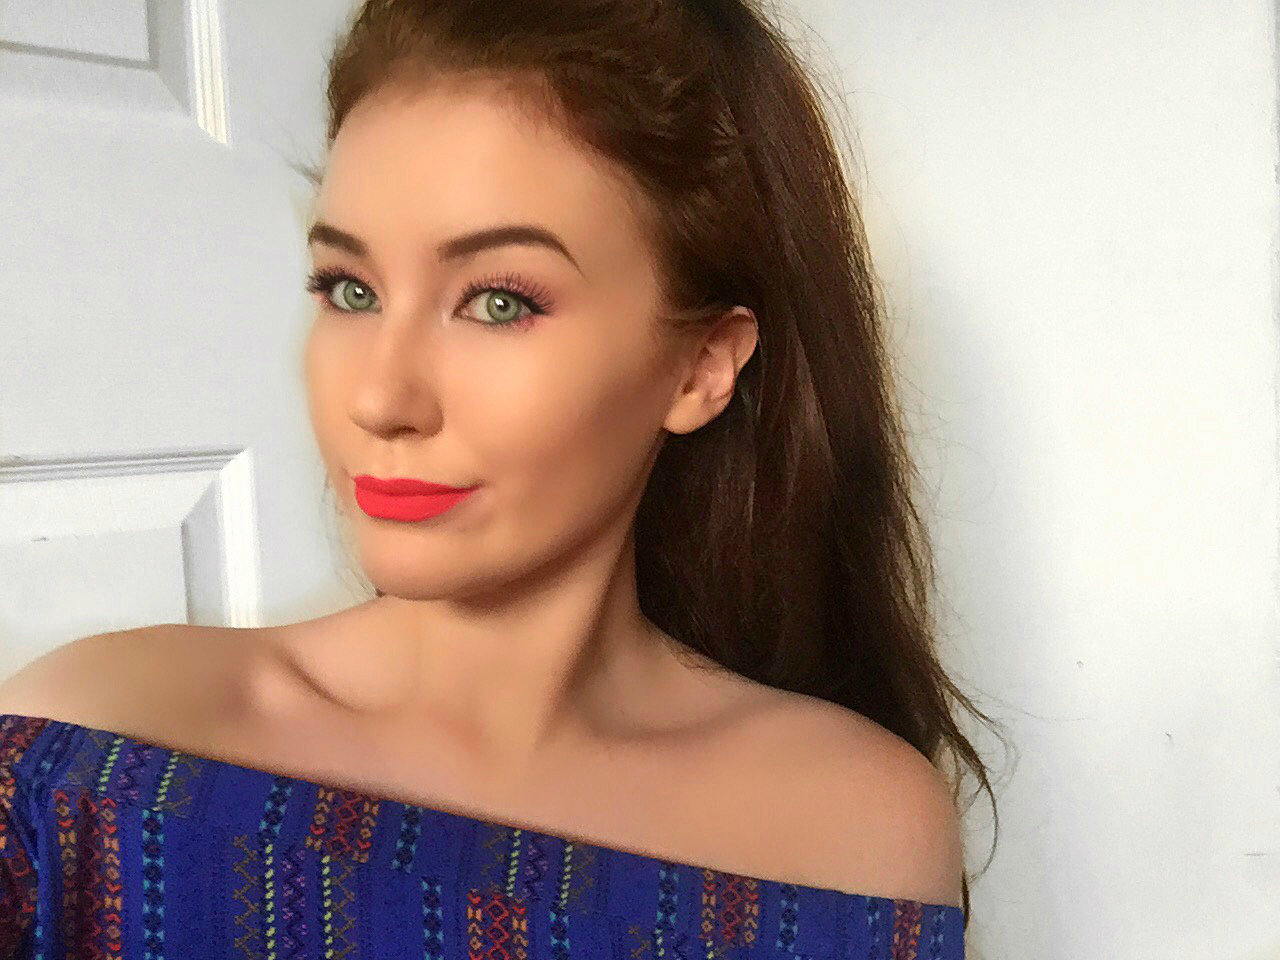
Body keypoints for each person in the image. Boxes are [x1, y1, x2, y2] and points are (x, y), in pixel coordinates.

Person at [0, 0, 1002, 955]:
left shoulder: (852, 831)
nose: (380, 398)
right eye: (350, 290)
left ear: (701, 366)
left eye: (497, 302)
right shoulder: (89, 764)